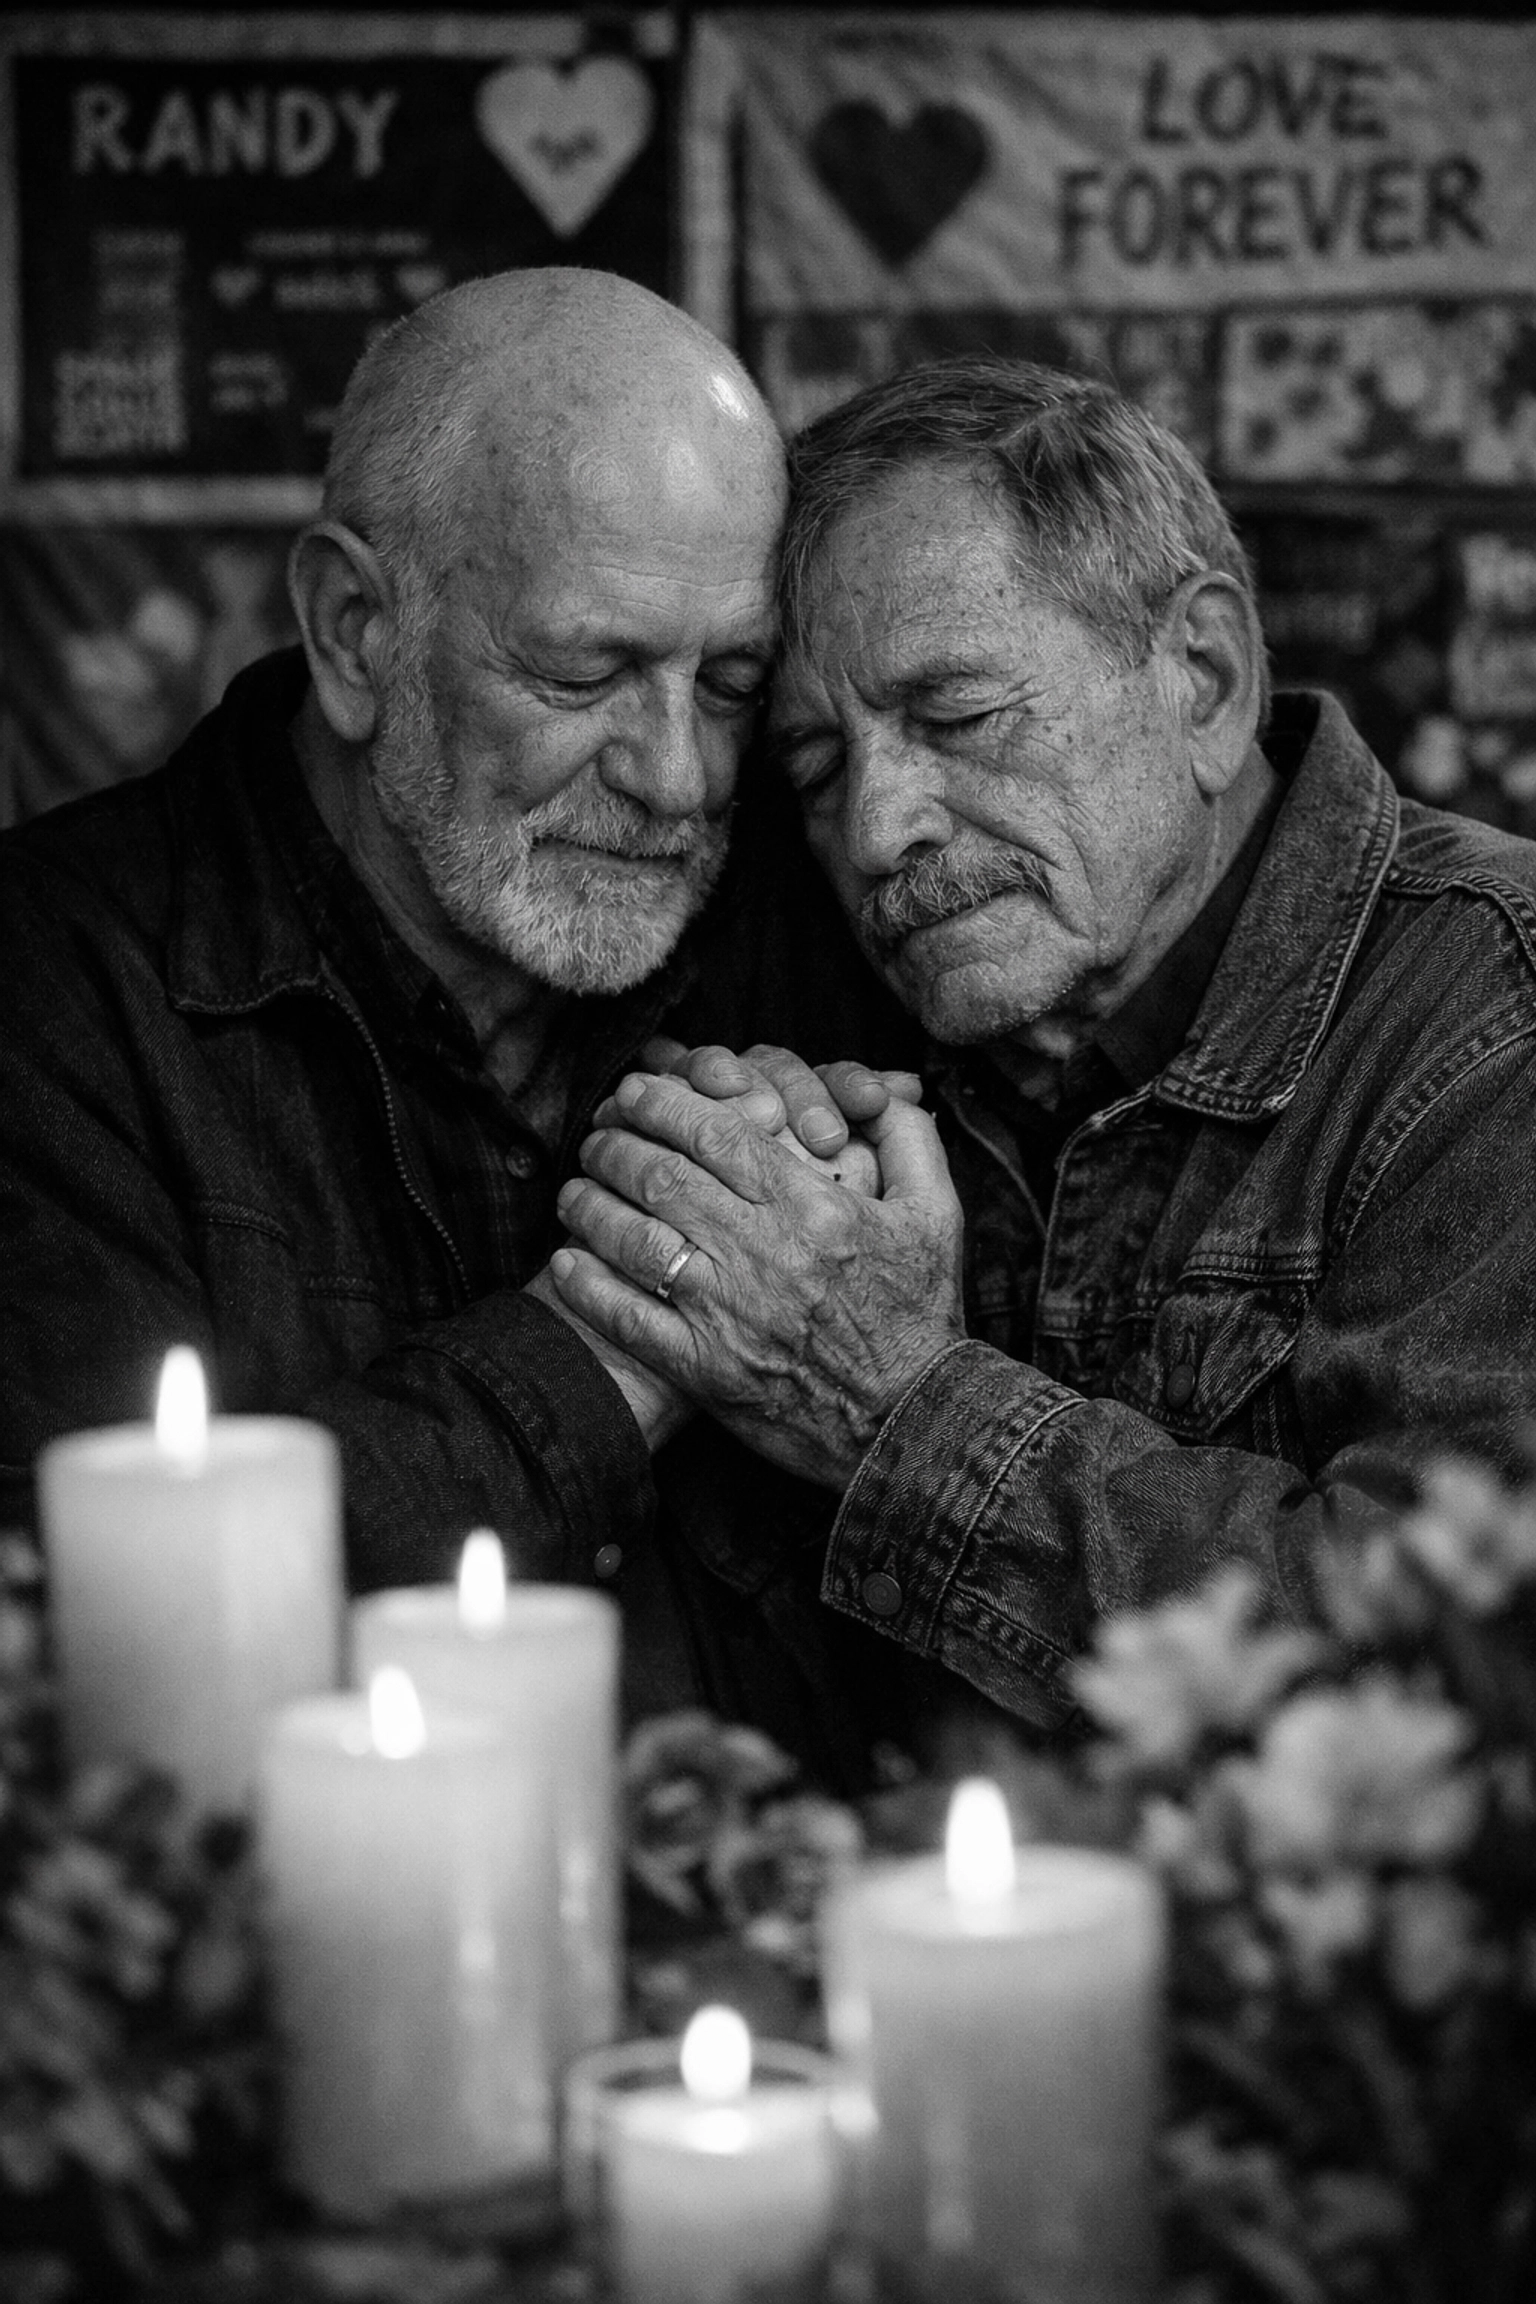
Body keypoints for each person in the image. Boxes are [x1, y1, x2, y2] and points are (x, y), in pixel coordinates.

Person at [0, 268, 919, 1785]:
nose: (678, 777)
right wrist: (624, 1335)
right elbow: (78, 1679)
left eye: (730, 683)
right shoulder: (52, 992)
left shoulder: (806, 910)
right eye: (584, 672)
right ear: (355, 631)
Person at [551, 355, 1536, 1735]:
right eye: (818, 771)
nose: (877, 831)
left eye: (959, 719)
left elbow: (1465, 1677)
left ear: (1204, 679)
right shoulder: (863, 993)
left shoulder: (1496, 1009)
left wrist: (896, 1403)